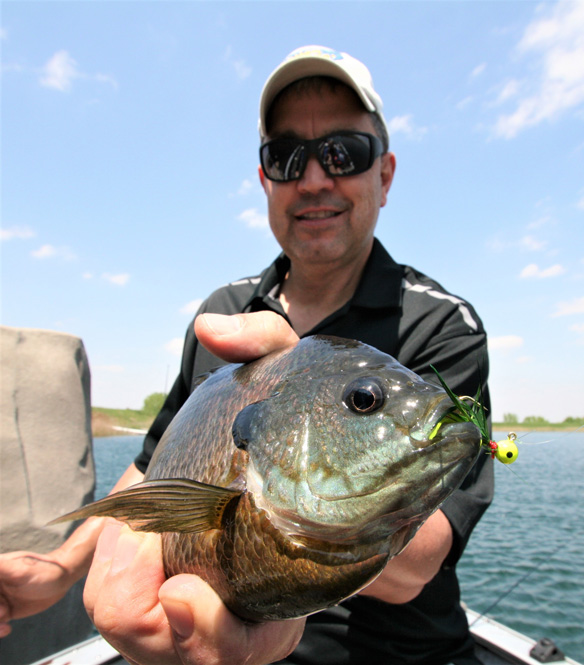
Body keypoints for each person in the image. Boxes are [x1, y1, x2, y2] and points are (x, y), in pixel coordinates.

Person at [0, 46, 493, 665]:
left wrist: (282, 515)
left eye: (344, 152)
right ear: (265, 181)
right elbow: (157, 471)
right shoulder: (225, 312)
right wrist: (61, 566)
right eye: (287, 157)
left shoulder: (444, 323)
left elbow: (419, 564)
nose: (314, 178)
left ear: (385, 175)